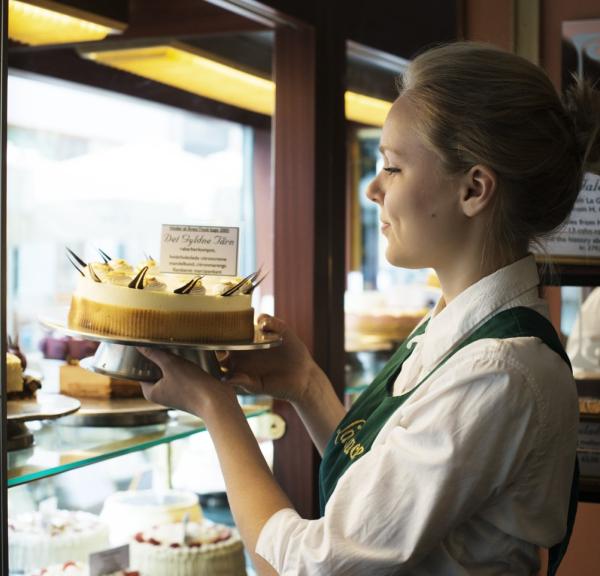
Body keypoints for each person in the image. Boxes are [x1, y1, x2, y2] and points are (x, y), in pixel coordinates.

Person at [138, 42, 600, 575]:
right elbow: (387, 489)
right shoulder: (464, 329)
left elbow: (312, 567)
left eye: (393, 167)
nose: (373, 189)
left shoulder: (498, 371)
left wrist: (217, 409)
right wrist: (305, 385)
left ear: (474, 188)